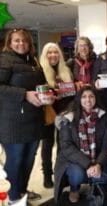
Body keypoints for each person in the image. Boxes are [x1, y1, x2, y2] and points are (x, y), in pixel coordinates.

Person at [0, 28, 45, 203]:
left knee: (28, 160)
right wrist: (24, 94)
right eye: (17, 40)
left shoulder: (33, 60)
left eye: (24, 41)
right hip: (12, 123)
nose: (21, 44)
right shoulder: (4, 60)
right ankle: (12, 197)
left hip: (33, 120)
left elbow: (40, 84)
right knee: (16, 160)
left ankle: (21, 193)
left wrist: (48, 92)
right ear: (9, 43)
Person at [54, 86, 107, 203]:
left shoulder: (104, 116)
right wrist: (88, 164)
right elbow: (66, 147)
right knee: (78, 175)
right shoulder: (68, 118)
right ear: (79, 99)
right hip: (73, 160)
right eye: (84, 97)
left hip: (96, 157)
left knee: (103, 175)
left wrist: (98, 164)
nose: (88, 100)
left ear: (96, 98)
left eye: (91, 96)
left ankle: (95, 188)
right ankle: (74, 189)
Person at [39, 42, 74, 188]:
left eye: (55, 52)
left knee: (62, 144)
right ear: (45, 55)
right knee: (47, 145)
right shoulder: (39, 71)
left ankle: (60, 172)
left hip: (64, 112)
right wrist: (52, 96)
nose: (53, 55)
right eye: (49, 52)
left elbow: (71, 93)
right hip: (48, 112)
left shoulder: (66, 70)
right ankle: (47, 175)